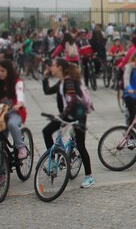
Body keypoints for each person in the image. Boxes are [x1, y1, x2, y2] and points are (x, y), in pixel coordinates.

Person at [42, 59, 95, 188]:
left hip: (78, 116)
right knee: (46, 131)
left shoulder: (69, 82)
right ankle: (53, 162)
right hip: (67, 115)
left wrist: (61, 116)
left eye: (53, 65)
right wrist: (45, 78)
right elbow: (47, 91)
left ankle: (89, 176)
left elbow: (72, 100)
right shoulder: (61, 82)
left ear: (60, 67)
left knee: (80, 145)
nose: (51, 67)